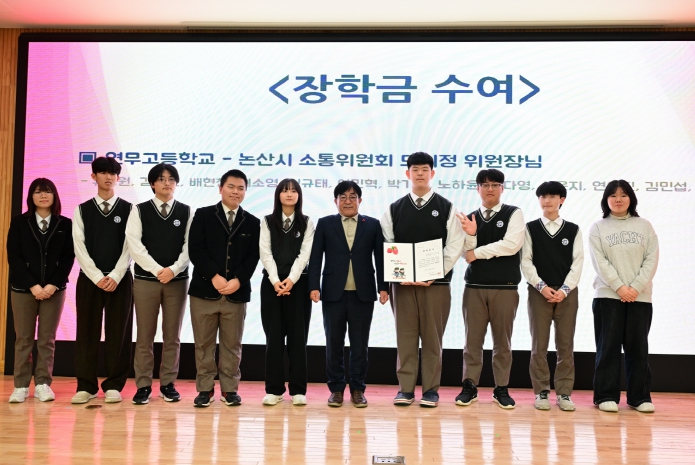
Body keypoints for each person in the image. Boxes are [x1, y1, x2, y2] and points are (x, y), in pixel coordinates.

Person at [381, 152, 472, 408]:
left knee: (433, 339)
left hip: (436, 285)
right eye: (415, 169)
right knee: (405, 337)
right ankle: (405, 389)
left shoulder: (447, 207)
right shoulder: (394, 209)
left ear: (432, 173)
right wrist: (400, 274)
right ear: (407, 174)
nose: (419, 174)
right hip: (403, 285)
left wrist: (434, 273)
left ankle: (431, 390)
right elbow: (388, 242)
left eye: (424, 169)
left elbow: (454, 245)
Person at [309, 181, 388, 408]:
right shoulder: (325, 224)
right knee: (333, 343)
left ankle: (357, 389)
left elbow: (380, 258)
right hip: (333, 293)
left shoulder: (372, 225)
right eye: (342, 197)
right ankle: (336, 389)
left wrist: (383, 287)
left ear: (360, 200)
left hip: (363, 294)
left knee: (359, 345)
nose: (347, 201)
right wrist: (314, 286)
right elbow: (316, 257)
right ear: (335, 201)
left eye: (352, 197)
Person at [187, 169, 260, 408]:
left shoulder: (253, 222)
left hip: (236, 293)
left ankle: (230, 389)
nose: (235, 192)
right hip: (204, 291)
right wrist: (214, 276)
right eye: (231, 186)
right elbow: (196, 249)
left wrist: (238, 280)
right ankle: (205, 389)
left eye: (240, 188)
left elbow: (253, 256)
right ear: (220, 188)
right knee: (203, 344)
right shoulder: (204, 215)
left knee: (232, 345)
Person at [457, 168, 525, 409]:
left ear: (502, 188)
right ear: (477, 189)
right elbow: (466, 253)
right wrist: (472, 236)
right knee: (472, 341)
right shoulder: (470, 218)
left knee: (502, 343)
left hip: (505, 287)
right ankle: (469, 386)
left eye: (495, 184)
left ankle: (501, 388)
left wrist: (478, 252)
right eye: (485, 185)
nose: (490, 189)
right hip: (474, 287)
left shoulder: (514, 213)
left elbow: (511, 245)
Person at [589, 180, 658, 413]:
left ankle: (639, 397)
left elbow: (651, 259)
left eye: (623, 195)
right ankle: (605, 396)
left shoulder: (645, 226)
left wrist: (635, 288)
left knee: (638, 348)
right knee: (607, 347)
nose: (618, 199)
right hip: (607, 296)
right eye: (613, 195)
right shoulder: (598, 227)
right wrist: (619, 287)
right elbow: (600, 262)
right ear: (606, 200)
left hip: (640, 297)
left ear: (631, 199)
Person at [126, 163, 192, 405]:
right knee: (144, 335)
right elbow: (134, 244)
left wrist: (173, 270)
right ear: (152, 183)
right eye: (162, 179)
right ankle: (143, 385)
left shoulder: (186, 211)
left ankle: (168, 384)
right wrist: (157, 270)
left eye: (171, 179)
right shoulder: (140, 210)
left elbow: (189, 246)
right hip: (146, 281)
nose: (167, 183)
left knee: (172, 336)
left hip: (177, 281)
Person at [7, 178, 75, 403]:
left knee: (47, 339)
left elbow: (68, 258)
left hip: (54, 291)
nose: (43, 196)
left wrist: (53, 284)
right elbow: (14, 257)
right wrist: (33, 285)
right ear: (31, 197)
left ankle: (43, 384)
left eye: (47, 192)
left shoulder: (65, 224)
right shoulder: (19, 222)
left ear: (55, 196)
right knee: (24, 339)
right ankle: (20, 386)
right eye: (38, 192)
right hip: (23, 289)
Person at [72, 156, 133, 404]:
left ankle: (114, 385)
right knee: (86, 331)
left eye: (113, 173)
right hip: (90, 280)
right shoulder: (82, 209)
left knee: (119, 332)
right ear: (93, 176)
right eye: (103, 172)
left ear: (118, 177)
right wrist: (97, 276)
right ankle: (86, 386)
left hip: (120, 280)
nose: (109, 177)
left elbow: (130, 246)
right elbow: (79, 246)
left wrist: (116, 275)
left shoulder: (129, 209)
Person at [521, 181, 583, 411]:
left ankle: (564, 393)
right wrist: (541, 286)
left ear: (561, 200)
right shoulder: (530, 228)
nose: (547, 201)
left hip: (567, 293)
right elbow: (526, 261)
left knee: (565, 345)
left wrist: (565, 289)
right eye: (543, 197)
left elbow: (578, 262)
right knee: (539, 345)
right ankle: (542, 391)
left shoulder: (573, 229)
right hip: (539, 292)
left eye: (552, 196)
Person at [259, 179, 315, 406]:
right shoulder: (267, 221)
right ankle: (274, 390)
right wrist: (275, 280)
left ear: (299, 195)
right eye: (285, 190)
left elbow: (304, 254)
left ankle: (298, 390)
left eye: (293, 191)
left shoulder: (307, 222)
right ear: (278, 195)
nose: (289, 194)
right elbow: (265, 252)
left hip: (298, 285)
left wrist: (291, 280)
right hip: (272, 286)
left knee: (298, 338)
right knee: (273, 338)